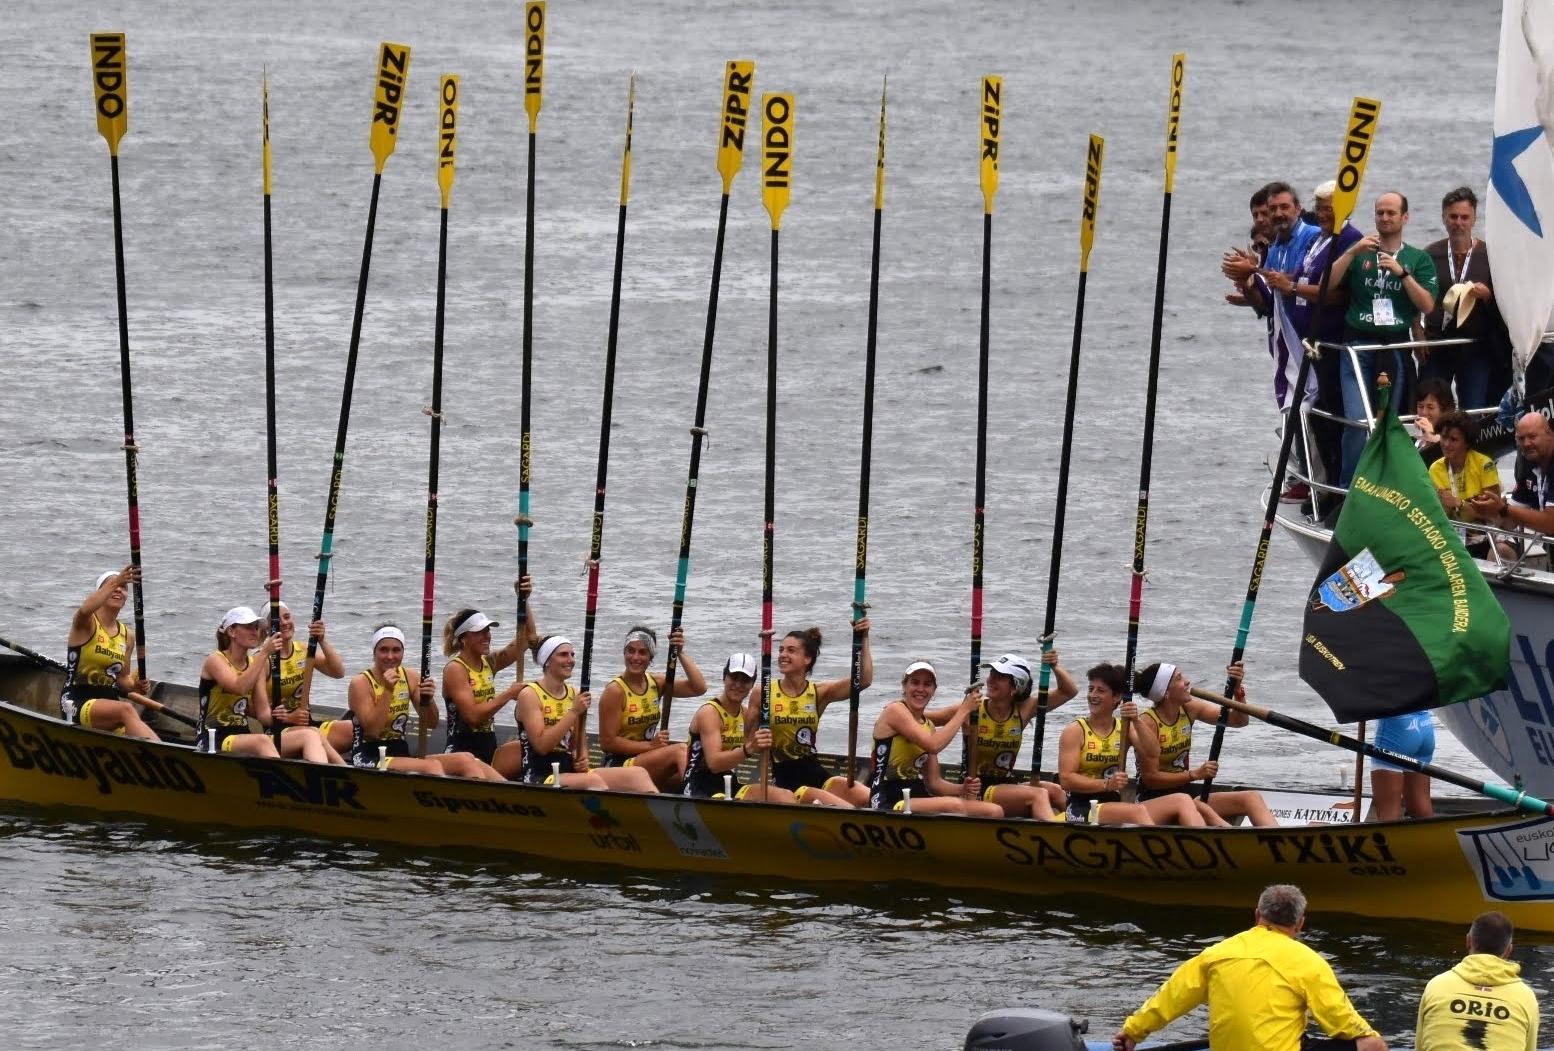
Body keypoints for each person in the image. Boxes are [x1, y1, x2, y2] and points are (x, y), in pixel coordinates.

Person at [1113, 884, 1387, 1051]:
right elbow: (1340, 1022)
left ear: (1257, 915)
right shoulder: (1308, 962)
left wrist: (1133, 1032)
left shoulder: (1216, 953)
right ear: (1300, 923)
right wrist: (1371, 1037)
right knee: (1372, 1046)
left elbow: (1172, 997)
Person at [1328, 191, 1441, 487]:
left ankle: (1390, 486)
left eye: (1391, 213)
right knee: (1358, 420)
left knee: (1394, 420)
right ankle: (1347, 489)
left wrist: (1402, 273)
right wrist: (1351, 252)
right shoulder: (1361, 251)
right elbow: (1327, 284)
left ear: (1405, 217)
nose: (1385, 218)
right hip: (1358, 345)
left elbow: (1427, 305)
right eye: (1380, 213)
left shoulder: (1418, 258)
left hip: (1396, 347)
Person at [1262, 180, 1365, 502]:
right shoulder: (1320, 239)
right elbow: (1302, 278)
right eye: (1319, 208)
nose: (1323, 214)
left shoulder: (1351, 240)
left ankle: (1335, 487)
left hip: (1333, 342)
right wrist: (1265, 277)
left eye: (1329, 208)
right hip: (1311, 342)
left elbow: (1337, 293)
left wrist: (1290, 288)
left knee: (1330, 416)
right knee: (1317, 416)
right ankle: (1321, 483)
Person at [345, 624, 503, 779]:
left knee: (468, 760)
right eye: (384, 650)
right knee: (431, 766)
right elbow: (373, 731)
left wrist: (428, 699)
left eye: (396, 650)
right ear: (374, 652)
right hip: (369, 755)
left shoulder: (410, 677)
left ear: (403, 652)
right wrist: (387, 690)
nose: (390, 656)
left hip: (400, 753)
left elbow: (432, 722)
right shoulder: (360, 683)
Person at [1131, 661, 1278, 827]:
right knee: (1185, 801)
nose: (1187, 681)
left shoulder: (1188, 708)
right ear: (1165, 693)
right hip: (1152, 802)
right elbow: (1151, 779)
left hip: (1185, 796)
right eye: (1179, 678)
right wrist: (1194, 775)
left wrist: (1237, 691)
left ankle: (1278, 840)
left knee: (1250, 797)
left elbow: (1239, 720)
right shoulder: (1148, 722)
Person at [1058, 662, 1203, 827]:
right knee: (1137, 811)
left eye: (1101, 690)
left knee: (1182, 800)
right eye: (1091, 689)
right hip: (1080, 808)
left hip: (1114, 805)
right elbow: (1066, 780)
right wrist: (1106, 784)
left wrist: (1136, 720)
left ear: (1116, 697)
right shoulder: (1075, 731)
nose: (1093, 695)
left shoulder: (1125, 728)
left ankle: (1205, 843)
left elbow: (1153, 751)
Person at [513, 635, 655, 791]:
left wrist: (583, 757)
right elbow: (541, 746)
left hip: (569, 771)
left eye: (572, 655)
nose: (571, 660)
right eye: (563, 655)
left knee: (637, 774)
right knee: (593, 782)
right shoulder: (529, 695)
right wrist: (573, 712)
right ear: (547, 661)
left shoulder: (575, 693)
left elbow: (579, 741)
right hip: (540, 775)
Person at [681, 652, 823, 803]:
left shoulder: (745, 713)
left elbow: (759, 744)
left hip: (728, 781)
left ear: (752, 685)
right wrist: (749, 749)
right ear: (724, 678)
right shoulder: (710, 712)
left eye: (745, 680)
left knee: (785, 796)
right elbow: (715, 764)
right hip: (698, 785)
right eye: (734, 677)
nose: (738, 685)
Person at [868, 660, 1003, 816]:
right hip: (887, 799)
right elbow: (934, 745)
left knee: (992, 809)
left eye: (927, 684)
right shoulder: (895, 710)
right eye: (915, 683)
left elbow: (934, 783)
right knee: (969, 808)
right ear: (904, 686)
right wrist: (964, 710)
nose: (920, 689)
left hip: (915, 797)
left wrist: (962, 788)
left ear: (934, 690)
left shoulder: (929, 726)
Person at [766, 622, 873, 806]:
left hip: (817, 774)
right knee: (847, 807)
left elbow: (863, 680)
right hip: (786, 783)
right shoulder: (765, 693)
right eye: (781, 650)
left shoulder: (819, 693)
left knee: (870, 798)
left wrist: (864, 637)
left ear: (807, 659)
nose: (783, 655)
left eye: (791, 651)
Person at [958, 651, 1075, 819]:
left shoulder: (1024, 709)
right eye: (992, 674)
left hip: (1006, 785)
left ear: (1015, 687)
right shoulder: (972, 709)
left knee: (1056, 791)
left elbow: (1068, 691)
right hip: (975, 787)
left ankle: (1076, 823)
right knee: (1039, 794)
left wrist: (1054, 666)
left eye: (999, 676)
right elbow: (929, 719)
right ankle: (1056, 834)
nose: (990, 680)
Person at [1422, 187, 1504, 410]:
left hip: (1476, 347)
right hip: (1437, 345)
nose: (1458, 222)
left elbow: (1506, 308)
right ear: (1444, 218)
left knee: (1474, 409)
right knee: (1431, 408)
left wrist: (1488, 297)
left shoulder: (1490, 256)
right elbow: (1413, 297)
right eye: (1453, 216)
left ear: (1474, 218)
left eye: (1464, 217)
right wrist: (1418, 334)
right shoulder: (1429, 255)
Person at [440, 579, 537, 767]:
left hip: (488, 744)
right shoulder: (456, 669)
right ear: (463, 639)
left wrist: (523, 600)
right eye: (479, 632)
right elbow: (473, 718)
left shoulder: (490, 662)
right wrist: (509, 694)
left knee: (529, 748)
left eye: (488, 631)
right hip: (461, 748)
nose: (487, 636)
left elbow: (528, 638)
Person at [596, 625, 702, 790]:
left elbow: (698, 687)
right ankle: (694, 797)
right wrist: (651, 746)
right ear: (624, 653)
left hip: (646, 759)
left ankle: (700, 795)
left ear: (651, 657)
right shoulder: (615, 691)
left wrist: (679, 652)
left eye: (642, 652)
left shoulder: (656, 684)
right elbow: (608, 742)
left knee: (694, 763)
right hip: (618, 765)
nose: (635, 657)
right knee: (680, 751)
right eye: (630, 650)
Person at [1416, 911, 1540, 1051]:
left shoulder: (1436, 986)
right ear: (1509, 950)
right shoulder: (1525, 997)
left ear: (1468, 941)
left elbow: (1420, 1047)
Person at [59, 566, 157, 740]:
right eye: (112, 585)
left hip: (109, 703)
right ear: (100, 593)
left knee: (128, 715)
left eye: (124, 587)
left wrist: (136, 685)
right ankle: (162, 753)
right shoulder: (85, 623)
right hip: (75, 701)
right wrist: (118, 580)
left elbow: (122, 681)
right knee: (127, 709)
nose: (119, 589)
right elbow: (84, 609)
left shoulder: (127, 636)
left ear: (127, 598)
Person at [258, 600, 348, 754]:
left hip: (307, 724)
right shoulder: (263, 660)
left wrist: (322, 640)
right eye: (277, 620)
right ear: (267, 628)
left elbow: (338, 672)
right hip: (278, 732)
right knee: (312, 734)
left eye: (287, 617)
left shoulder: (303, 650)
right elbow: (262, 715)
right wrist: (289, 718)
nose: (284, 623)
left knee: (351, 728)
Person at [196, 606, 283, 758]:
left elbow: (263, 715)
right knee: (262, 742)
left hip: (242, 734)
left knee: (309, 735)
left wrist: (285, 716)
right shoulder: (216, 660)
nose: (255, 632)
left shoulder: (254, 664)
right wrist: (264, 653)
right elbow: (239, 687)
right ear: (232, 632)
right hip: (213, 736)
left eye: (256, 627)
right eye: (248, 627)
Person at [1431, 411, 1515, 561]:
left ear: (1467, 442)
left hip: (1487, 536)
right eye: (1443, 437)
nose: (1446, 444)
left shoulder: (1484, 464)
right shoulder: (1435, 469)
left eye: (1453, 439)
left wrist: (1459, 503)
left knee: (1501, 551)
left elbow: (1491, 513)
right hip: (1452, 538)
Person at [1471, 411, 1554, 537]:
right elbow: (1510, 523)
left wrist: (1504, 509)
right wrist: (1492, 511)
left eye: (1532, 437)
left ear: (1549, 433)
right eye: (1521, 438)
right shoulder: (1529, 462)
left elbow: (1550, 524)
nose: (1526, 444)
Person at [1369, 709, 1435, 821]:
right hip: (1425, 724)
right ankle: (1432, 836)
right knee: (1420, 807)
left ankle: (1392, 837)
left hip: (1397, 728)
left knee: (1388, 812)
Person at [1412, 378, 1457, 466]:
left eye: (1430, 407)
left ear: (1444, 409)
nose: (1424, 413)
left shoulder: (1457, 434)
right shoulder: (1410, 435)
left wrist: (1434, 438)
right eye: (1420, 406)